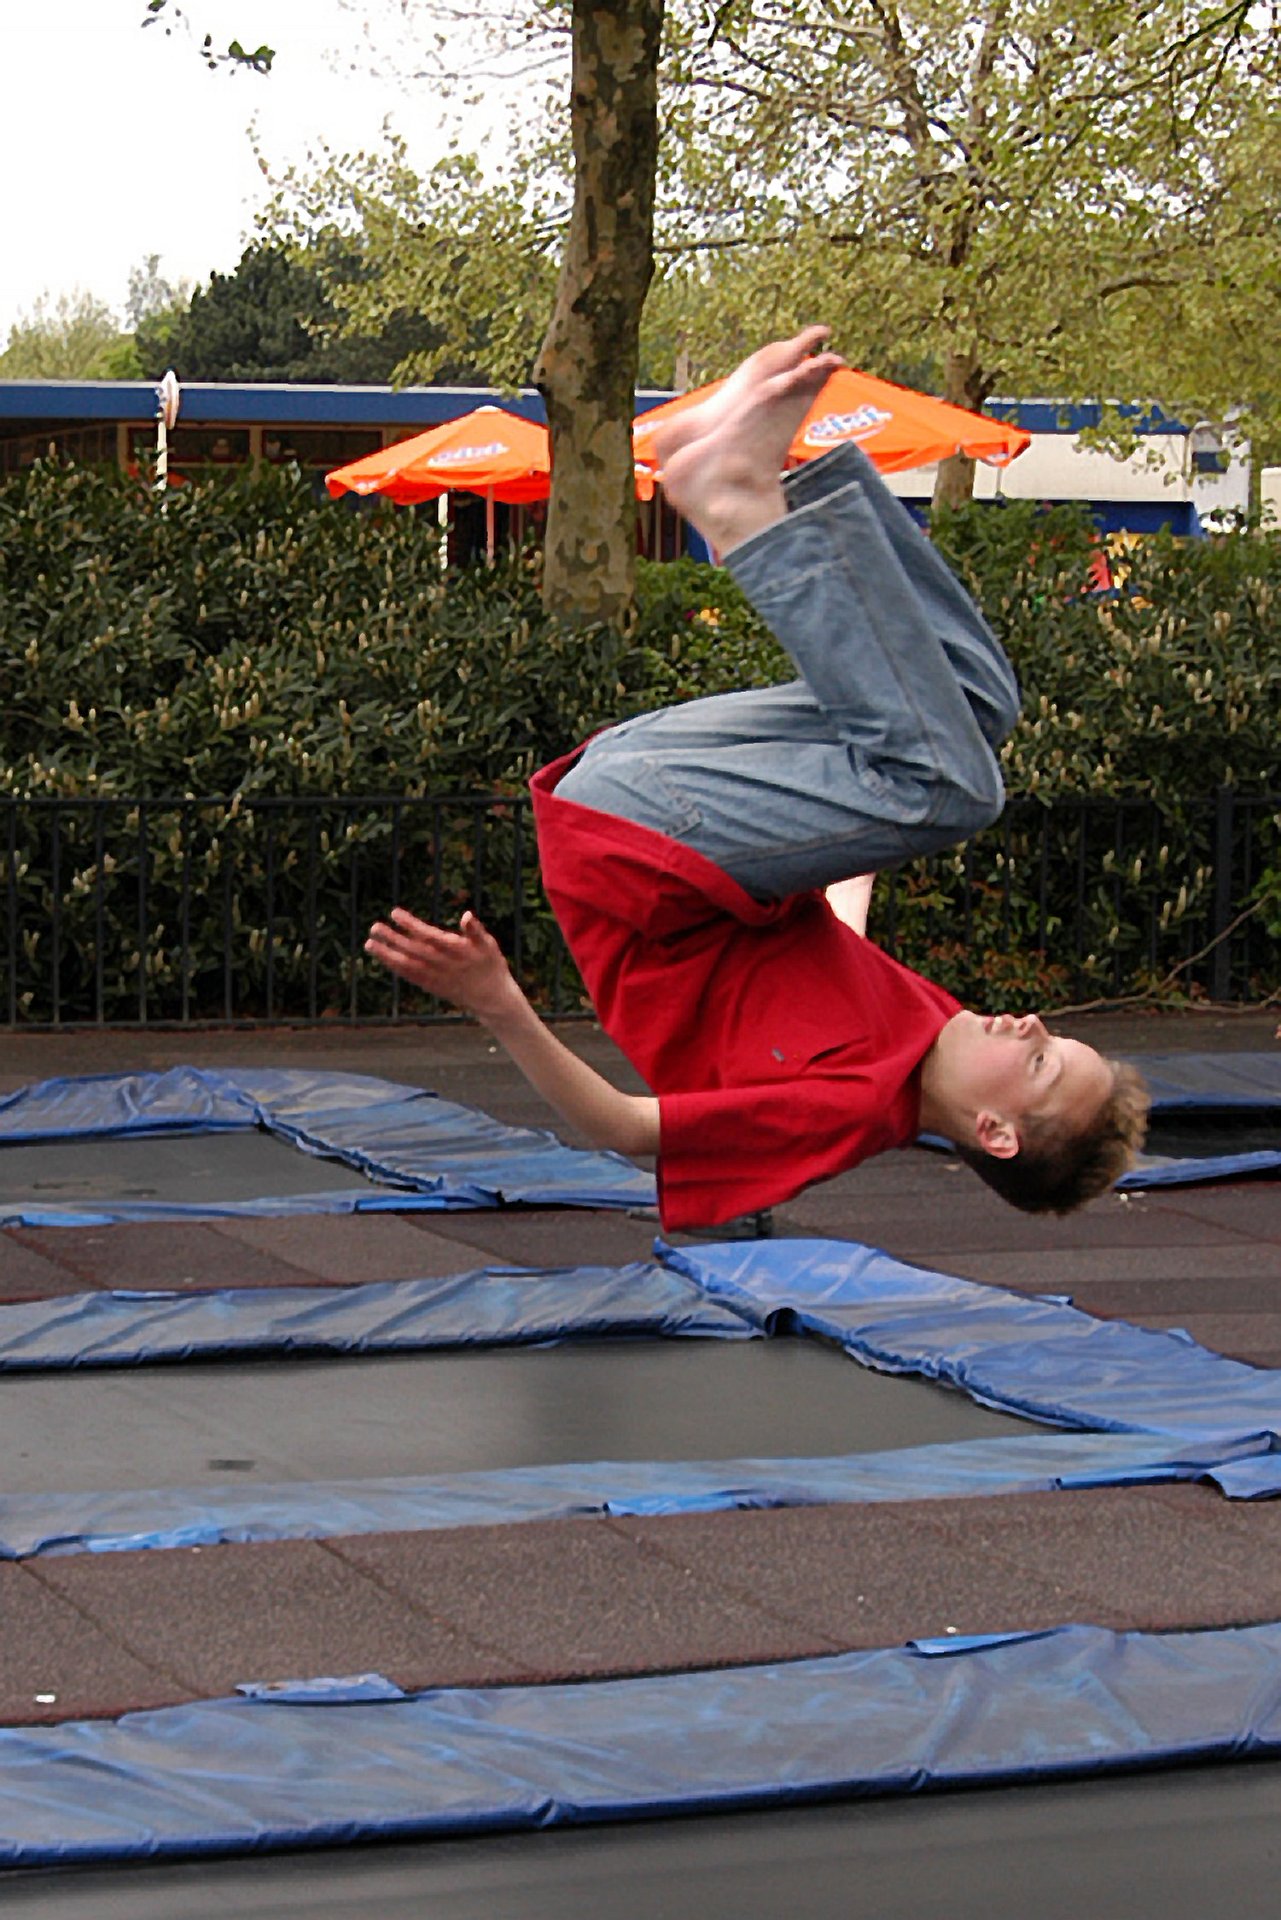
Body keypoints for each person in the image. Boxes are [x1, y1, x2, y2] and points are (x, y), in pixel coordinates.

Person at [366, 328, 1148, 1231]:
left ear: (993, 1131)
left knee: (951, 791)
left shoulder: (845, 1113)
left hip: (640, 849)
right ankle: (776, 474)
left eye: (1041, 1064)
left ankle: (733, 499)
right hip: (648, 795)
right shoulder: (926, 1028)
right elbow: (833, 935)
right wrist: (857, 837)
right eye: (1055, 1035)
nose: (1032, 1026)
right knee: (976, 713)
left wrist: (497, 1002)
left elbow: (624, 1127)